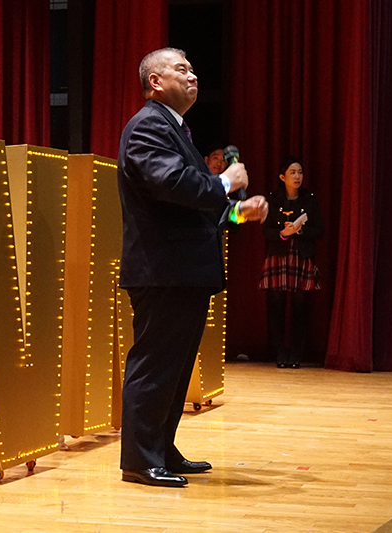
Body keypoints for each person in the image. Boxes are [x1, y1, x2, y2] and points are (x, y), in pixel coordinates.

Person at [117, 47, 268, 487]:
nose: (193, 75)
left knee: (176, 368)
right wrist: (225, 182)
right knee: (155, 365)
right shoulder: (148, 125)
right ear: (155, 82)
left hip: (182, 270)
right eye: (181, 69)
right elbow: (171, 184)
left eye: (193, 69)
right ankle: (140, 460)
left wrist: (238, 213)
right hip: (163, 270)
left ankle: (161, 450)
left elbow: (191, 206)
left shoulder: (175, 128)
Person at [259, 156, 324, 369]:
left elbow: (319, 230)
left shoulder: (310, 199)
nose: (297, 177)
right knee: (276, 304)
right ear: (282, 177)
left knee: (300, 306)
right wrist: (283, 233)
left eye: (300, 173)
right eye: (292, 173)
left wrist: (300, 230)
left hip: (301, 255)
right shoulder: (273, 199)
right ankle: (279, 351)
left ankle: (296, 352)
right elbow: (266, 231)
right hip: (279, 254)